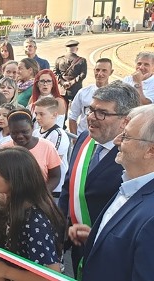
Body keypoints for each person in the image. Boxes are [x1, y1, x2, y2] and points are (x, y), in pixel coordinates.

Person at [58, 81, 140, 277]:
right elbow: (69, 187)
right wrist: (60, 229)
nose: (90, 118)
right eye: (90, 110)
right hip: (77, 246)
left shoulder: (135, 157)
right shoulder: (85, 138)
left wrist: (97, 235)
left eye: (101, 113)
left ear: (125, 120)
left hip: (111, 254)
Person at [68, 104, 154, 281]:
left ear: (150, 151)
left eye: (126, 136)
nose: (116, 141)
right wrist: (98, 237)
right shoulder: (130, 184)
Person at [0, 147, 65, 280]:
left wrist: (5, 272)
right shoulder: (15, 205)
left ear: (13, 181)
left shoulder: (35, 223)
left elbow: (50, 276)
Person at [1, 109, 61, 191]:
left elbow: (55, 176)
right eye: (14, 133)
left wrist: (43, 194)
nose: (20, 136)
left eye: (24, 131)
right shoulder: (4, 149)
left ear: (32, 127)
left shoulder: (47, 147)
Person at [33, 98, 69, 202]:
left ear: (54, 115)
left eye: (42, 114)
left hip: (54, 188)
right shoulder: (36, 132)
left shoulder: (58, 134)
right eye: (36, 114)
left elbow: (53, 162)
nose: (38, 117)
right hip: (38, 183)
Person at [69, 58, 113, 135]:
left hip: (103, 140)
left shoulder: (116, 95)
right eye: (97, 70)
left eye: (104, 70)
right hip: (83, 137)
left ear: (111, 72)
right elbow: (72, 117)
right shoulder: (83, 93)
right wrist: (75, 139)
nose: (100, 73)